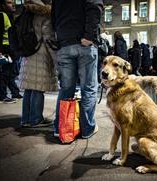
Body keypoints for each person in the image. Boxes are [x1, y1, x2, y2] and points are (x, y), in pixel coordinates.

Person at [51, 0, 103, 138]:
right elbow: (95, 8)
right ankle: (87, 129)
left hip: (65, 44)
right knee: (89, 88)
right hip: (84, 43)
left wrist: (60, 38)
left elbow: (54, 17)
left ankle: (60, 127)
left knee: (66, 88)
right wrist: (89, 35)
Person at [18, 0, 58, 127]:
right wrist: (56, 60)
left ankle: (25, 119)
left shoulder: (26, 13)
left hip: (27, 54)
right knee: (38, 89)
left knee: (29, 89)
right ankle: (36, 119)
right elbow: (48, 39)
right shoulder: (44, 14)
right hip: (40, 54)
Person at [0, 0, 22, 103]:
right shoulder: (0, 16)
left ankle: (15, 93)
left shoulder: (8, 16)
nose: (12, 4)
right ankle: (1, 96)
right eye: (9, 2)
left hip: (9, 49)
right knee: (3, 74)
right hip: (3, 49)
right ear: (3, 5)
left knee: (9, 73)